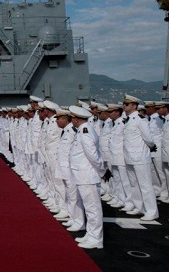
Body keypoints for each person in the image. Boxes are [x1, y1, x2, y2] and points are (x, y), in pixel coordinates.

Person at [68, 105, 106, 249]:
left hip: (88, 175)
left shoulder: (85, 131)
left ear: (77, 119)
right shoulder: (82, 130)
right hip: (83, 175)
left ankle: (96, 238)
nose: (71, 120)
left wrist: (102, 171)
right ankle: (91, 234)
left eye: (72, 118)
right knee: (89, 207)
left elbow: (93, 155)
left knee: (93, 208)